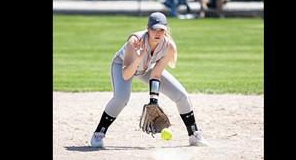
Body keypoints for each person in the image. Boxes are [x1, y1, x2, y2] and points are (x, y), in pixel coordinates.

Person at [89, 12, 209, 148]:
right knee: (121, 98)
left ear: (166, 30)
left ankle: (193, 134)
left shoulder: (169, 47)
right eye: (154, 29)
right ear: (147, 28)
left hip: (146, 68)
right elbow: (126, 75)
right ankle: (98, 134)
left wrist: (154, 102)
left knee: (182, 96)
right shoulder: (135, 41)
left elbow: (156, 74)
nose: (158, 33)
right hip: (123, 66)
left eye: (161, 30)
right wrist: (138, 59)